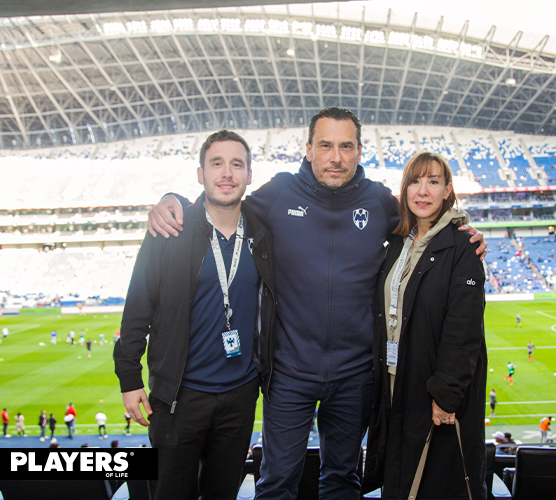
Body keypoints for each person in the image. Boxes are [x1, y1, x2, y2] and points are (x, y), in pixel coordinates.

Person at [146, 107, 488, 499]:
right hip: (290, 372)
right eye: (325, 146)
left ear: (359, 151)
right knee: (277, 482)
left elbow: (424, 221)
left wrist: (463, 234)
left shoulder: (379, 201)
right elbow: (224, 203)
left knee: (342, 480)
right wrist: (173, 200)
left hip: (355, 374)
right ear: (309, 150)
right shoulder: (279, 192)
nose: (336, 157)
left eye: (346, 146)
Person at [114, 130, 276, 500]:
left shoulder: (264, 233)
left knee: (223, 494)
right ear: (200, 174)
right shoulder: (170, 229)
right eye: (216, 163)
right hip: (179, 398)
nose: (227, 173)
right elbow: (137, 306)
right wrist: (129, 379)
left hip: (239, 395)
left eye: (237, 164)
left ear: (250, 175)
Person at [362, 151, 487, 499]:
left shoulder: (463, 246)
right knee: (399, 480)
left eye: (433, 182)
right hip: (394, 385)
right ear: (404, 190)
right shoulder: (397, 243)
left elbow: (464, 329)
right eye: (415, 181)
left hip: (432, 392)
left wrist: (445, 394)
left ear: (447, 190)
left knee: (433, 483)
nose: (422, 190)